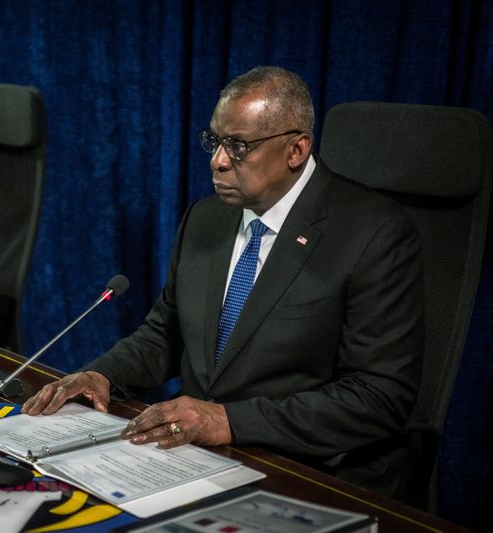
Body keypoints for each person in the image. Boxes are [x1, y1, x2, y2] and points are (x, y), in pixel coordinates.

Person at [22, 66, 424, 498]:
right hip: (189, 459)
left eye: (239, 146)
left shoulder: (374, 233)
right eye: (215, 141)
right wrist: (101, 375)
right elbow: (167, 333)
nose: (217, 160)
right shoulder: (206, 217)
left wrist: (227, 420)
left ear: (296, 149)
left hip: (301, 469)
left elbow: (378, 396)